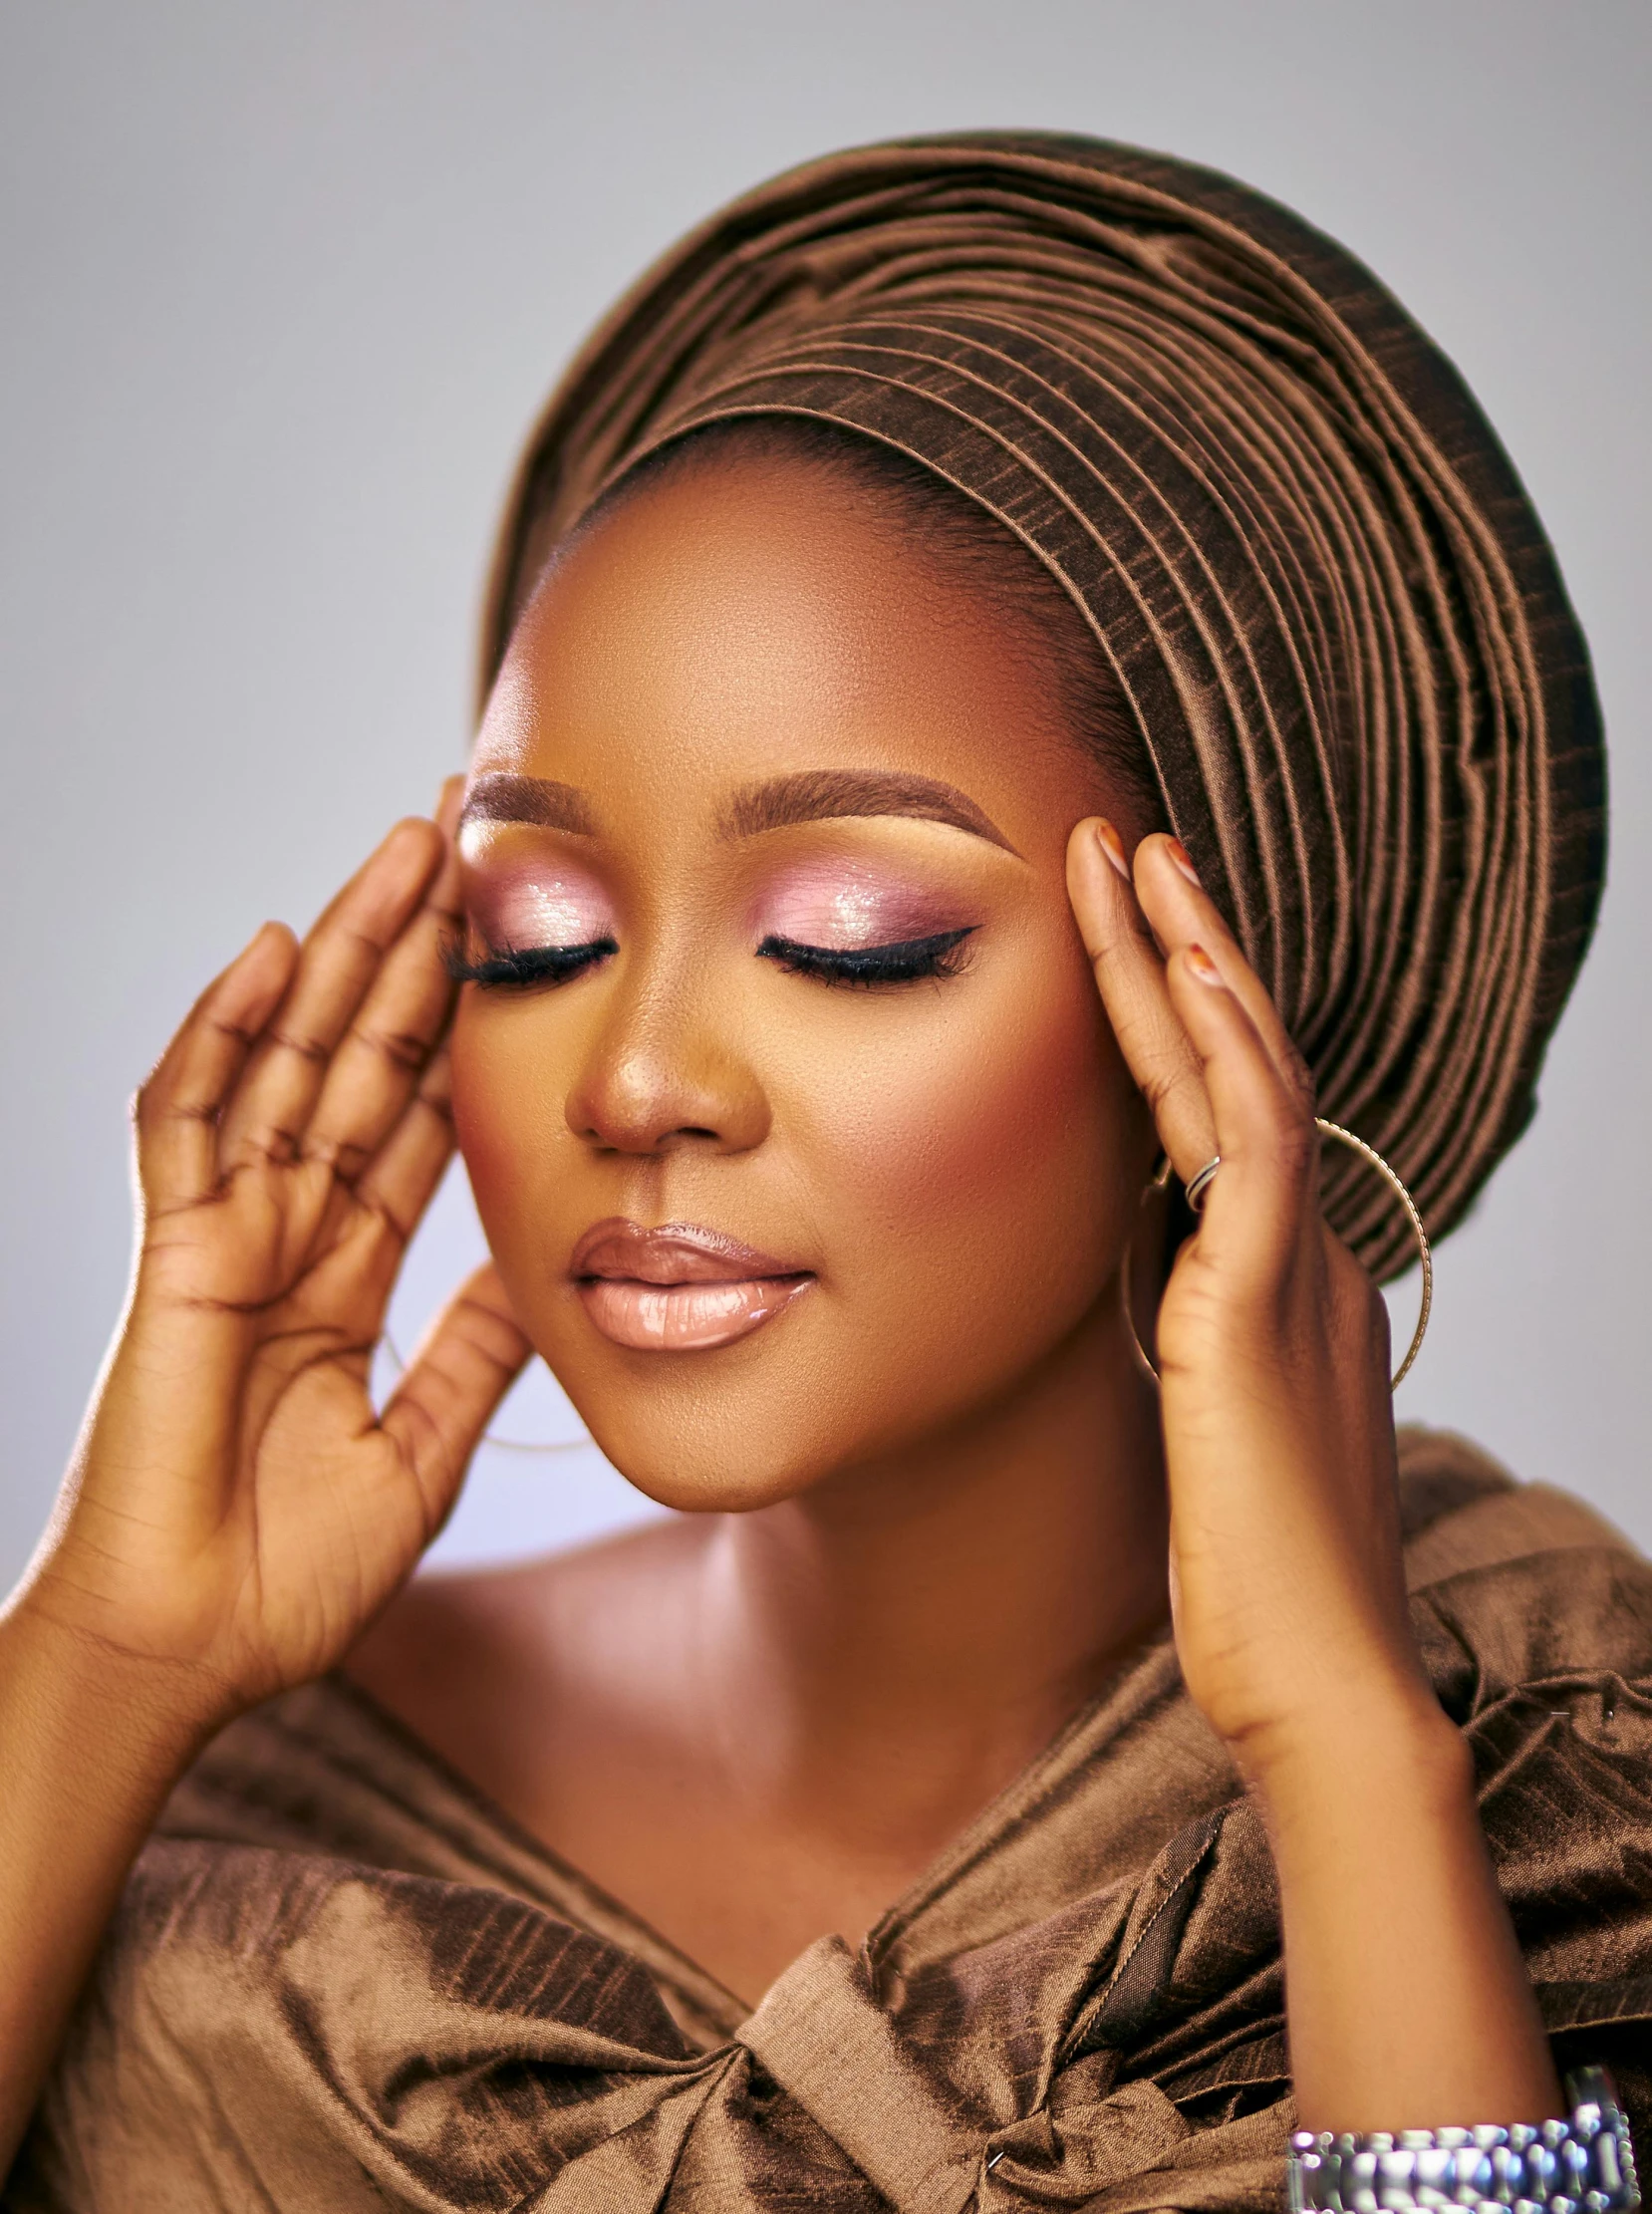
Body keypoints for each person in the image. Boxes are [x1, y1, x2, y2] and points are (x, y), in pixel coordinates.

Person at [2, 133, 1647, 2213]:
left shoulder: (1570, 1768)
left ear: (1212, 1015)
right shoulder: (242, 1790)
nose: (639, 1076)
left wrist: (1346, 1760)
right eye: (532, 936)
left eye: (852, 934)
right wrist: (103, 1660)